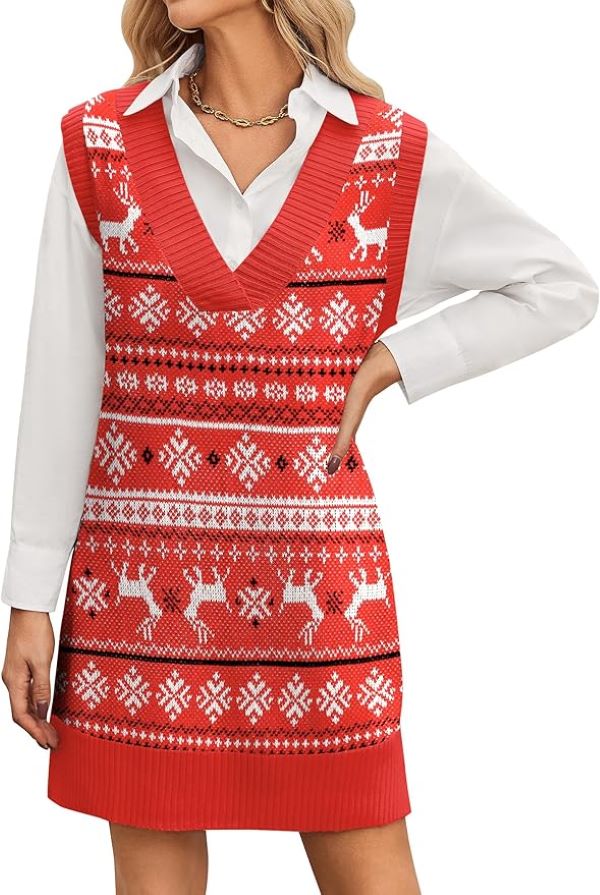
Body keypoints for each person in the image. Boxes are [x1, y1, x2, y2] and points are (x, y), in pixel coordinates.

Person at [1, 1, 597, 893]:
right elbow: (62, 374)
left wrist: (394, 360)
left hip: (322, 607)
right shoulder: (102, 143)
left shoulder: (386, 153)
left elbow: (558, 285)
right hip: (137, 605)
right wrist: (29, 597)